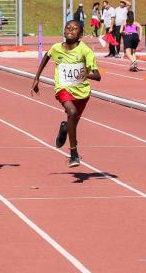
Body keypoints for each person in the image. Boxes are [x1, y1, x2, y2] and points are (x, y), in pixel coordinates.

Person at [30, 20, 101, 167]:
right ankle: (74, 154)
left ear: (80, 34)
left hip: (82, 93)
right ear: (63, 31)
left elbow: (98, 76)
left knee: (72, 122)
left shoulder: (85, 50)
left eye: (75, 29)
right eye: (68, 28)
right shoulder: (56, 48)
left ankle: (64, 127)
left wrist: (83, 75)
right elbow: (47, 57)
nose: (70, 30)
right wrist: (37, 78)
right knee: (72, 111)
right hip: (63, 88)